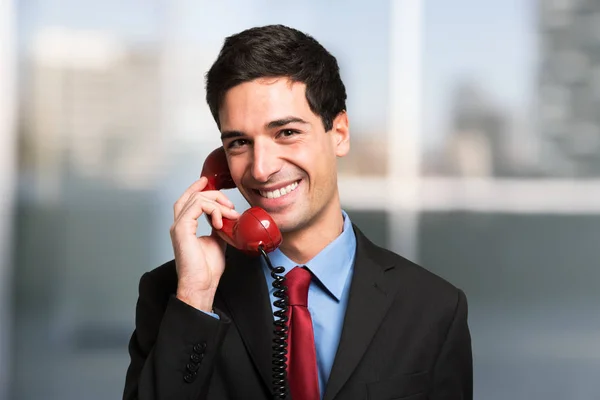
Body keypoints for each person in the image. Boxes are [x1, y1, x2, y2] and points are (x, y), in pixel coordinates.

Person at [122, 24, 472, 400]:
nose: (260, 168)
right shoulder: (174, 295)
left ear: (338, 133)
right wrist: (196, 296)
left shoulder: (433, 307)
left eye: (286, 132)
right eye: (239, 142)